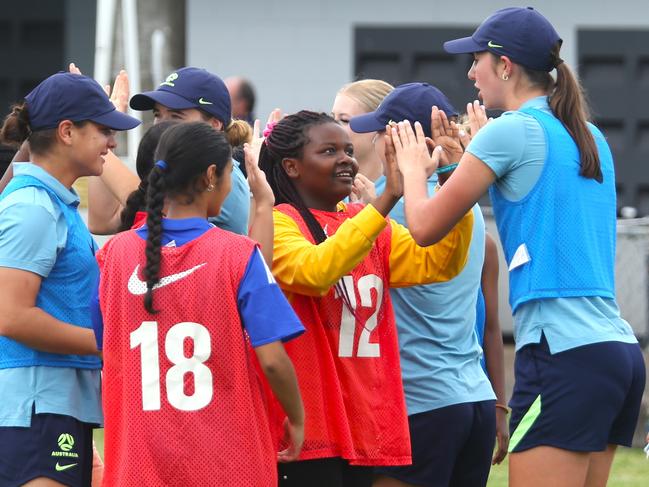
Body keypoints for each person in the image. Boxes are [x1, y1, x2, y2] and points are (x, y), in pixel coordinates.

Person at [391, 7, 646, 487]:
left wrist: (411, 167)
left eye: (477, 61)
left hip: (561, 353)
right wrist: (461, 164)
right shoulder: (587, 133)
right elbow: (533, 194)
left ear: (505, 66)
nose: (470, 73)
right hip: (615, 352)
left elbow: (423, 227)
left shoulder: (510, 131)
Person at [257, 110, 474, 487]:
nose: (346, 159)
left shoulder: (365, 220)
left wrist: (453, 176)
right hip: (307, 432)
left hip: (365, 424)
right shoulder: (278, 222)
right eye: (328, 151)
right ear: (291, 166)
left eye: (347, 149)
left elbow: (440, 262)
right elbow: (315, 271)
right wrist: (389, 195)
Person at [93, 121, 305, 486]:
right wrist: (297, 417)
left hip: (140, 464)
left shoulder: (114, 253)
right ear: (211, 175)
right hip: (226, 463)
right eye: (229, 173)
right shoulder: (238, 253)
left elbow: (105, 347)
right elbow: (272, 359)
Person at [350, 82, 506, 487]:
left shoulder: (394, 205)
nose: (376, 138)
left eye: (383, 130)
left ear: (402, 139)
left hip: (420, 403)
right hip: (473, 398)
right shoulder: (462, 205)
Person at [0, 71, 140, 487]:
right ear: (66, 132)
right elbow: (11, 316)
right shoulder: (33, 208)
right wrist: (112, 342)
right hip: (36, 404)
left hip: (57, 403)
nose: (113, 143)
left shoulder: (52, 205)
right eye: (103, 130)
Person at [88, 67, 252, 236]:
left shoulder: (223, 173)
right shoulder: (172, 170)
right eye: (157, 114)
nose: (161, 125)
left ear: (214, 124)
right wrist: (106, 131)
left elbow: (144, 204)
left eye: (176, 116)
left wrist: (100, 132)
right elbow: (102, 222)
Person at [332, 79, 393, 183]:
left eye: (344, 120)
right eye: (332, 118)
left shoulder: (407, 194)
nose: (332, 127)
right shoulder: (323, 188)